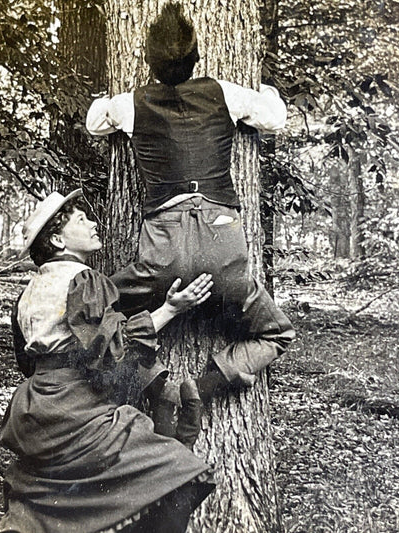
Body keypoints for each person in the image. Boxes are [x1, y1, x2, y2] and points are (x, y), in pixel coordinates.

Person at [86, 2, 295, 402]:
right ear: (197, 57)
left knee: (96, 311)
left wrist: (106, 99)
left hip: (162, 253)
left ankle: (157, 386)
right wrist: (266, 90)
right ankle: (208, 384)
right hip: (222, 243)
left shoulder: (131, 103)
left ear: (148, 61)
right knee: (277, 332)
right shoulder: (224, 93)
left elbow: (95, 123)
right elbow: (274, 118)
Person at [0, 189, 216, 533]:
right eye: (81, 220)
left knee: (51, 500)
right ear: (57, 239)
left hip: (34, 407)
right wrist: (171, 308)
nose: (94, 224)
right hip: (75, 408)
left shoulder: (28, 292)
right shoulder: (83, 280)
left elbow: (27, 361)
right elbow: (114, 351)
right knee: (180, 473)